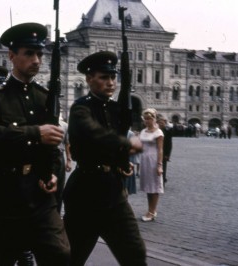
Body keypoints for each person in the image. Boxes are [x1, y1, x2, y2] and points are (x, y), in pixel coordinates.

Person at [0, 23, 70, 265]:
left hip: (38, 195)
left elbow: (53, 142)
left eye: (40, 54)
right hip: (2, 193)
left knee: (60, 254)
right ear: (12, 56)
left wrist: (53, 172)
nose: (36, 60)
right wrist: (35, 132)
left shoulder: (44, 96)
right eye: (29, 53)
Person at [63, 51, 147, 265]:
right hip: (85, 194)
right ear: (90, 79)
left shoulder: (116, 108)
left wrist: (121, 162)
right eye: (104, 77)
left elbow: (114, 139)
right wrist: (126, 144)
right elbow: (95, 133)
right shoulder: (81, 107)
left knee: (135, 254)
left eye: (113, 77)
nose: (111, 83)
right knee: (73, 257)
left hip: (113, 193)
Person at [139, 108, 164, 222]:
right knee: (148, 187)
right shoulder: (143, 131)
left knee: (154, 186)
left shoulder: (158, 132)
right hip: (144, 160)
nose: (147, 121)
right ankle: (150, 209)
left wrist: (159, 165)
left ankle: (152, 211)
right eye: (145, 119)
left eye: (149, 118)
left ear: (154, 119)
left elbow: (160, 150)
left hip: (153, 160)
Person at [156, 114, 173, 187]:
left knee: (163, 168)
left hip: (164, 153)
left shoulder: (167, 131)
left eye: (162, 123)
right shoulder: (155, 131)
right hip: (155, 152)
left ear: (165, 124)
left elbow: (169, 144)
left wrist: (168, 155)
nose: (161, 124)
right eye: (159, 123)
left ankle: (162, 181)